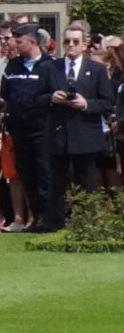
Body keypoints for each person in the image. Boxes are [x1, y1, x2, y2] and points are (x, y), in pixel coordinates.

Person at [0, 24, 60, 231]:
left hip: (42, 129)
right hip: (19, 129)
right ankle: (37, 217)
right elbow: (5, 94)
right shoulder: (13, 66)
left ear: (32, 42)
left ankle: (49, 217)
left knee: (45, 173)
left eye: (19, 41)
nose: (14, 44)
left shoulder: (50, 65)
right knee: (26, 174)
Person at [49, 21, 115, 207]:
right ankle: (57, 223)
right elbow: (37, 98)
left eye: (75, 41)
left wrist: (86, 104)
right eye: (67, 41)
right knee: (57, 184)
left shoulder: (97, 69)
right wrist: (51, 98)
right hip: (58, 136)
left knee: (86, 183)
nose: (70, 45)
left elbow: (107, 102)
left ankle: (87, 221)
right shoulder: (51, 68)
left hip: (86, 135)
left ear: (85, 44)